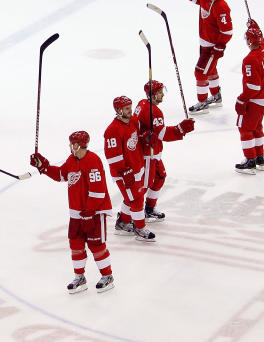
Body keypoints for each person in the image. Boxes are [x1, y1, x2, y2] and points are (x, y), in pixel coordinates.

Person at [30, 131, 115, 294]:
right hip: (76, 213)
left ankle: (107, 276)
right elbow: (61, 175)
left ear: (77, 145)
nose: (70, 146)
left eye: (71, 143)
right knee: (76, 245)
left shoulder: (93, 161)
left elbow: (98, 191)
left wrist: (89, 212)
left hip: (94, 213)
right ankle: (80, 277)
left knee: (96, 246)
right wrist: (44, 166)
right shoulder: (71, 160)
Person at [130, 81, 195, 221]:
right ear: (152, 95)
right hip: (148, 153)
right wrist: (181, 129)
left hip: (152, 151)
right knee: (144, 185)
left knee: (160, 176)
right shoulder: (154, 111)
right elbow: (162, 134)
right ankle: (129, 215)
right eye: (159, 92)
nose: (162, 94)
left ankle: (149, 208)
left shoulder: (142, 103)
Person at [176, 0, 233, 111]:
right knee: (211, 70)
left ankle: (202, 102)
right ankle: (216, 96)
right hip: (204, 44)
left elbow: (227, 31)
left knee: (200, 72)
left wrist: (219, 47)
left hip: (212, 47)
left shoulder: (222, 7)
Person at [103, 96, 154, 241]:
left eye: (130, 107)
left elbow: (136, 140)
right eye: (127, 108)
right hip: (123, 173)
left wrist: (146, 138)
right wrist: (124, 172)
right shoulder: (111, 131)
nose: (130, 110)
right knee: (137, 200)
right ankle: (140, 228)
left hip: (137, 167)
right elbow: (112, 156)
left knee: (131, 197)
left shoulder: (133, 121)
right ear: (118, 110)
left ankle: (123, 222)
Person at [234, 24, 264, 174]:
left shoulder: (250, 59)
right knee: (256, 126)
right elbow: (263, 41)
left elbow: (253, 87)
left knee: (244, 127)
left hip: (257, 99)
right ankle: (259, 158)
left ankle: (250, 161)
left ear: (250, 41)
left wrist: (241, 100)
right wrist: (255, 26)